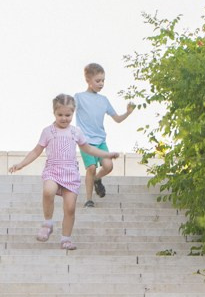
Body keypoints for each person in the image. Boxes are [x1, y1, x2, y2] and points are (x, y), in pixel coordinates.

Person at [9, 94, 119, 249]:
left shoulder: (75, 132)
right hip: (53, 170)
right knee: (48, 190)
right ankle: (48, 223)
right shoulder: (48, 131)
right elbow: (36, 151)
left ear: (73, 113)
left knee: (70, 208)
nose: (64, 118)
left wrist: (107, 154)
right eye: (60, 115)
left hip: (70, 173)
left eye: (68, 115)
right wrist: (21, 164)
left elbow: (88, 148)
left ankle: (65, 238)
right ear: (54, 113)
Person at [74, 63, 136, 206]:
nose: (101, 83)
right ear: (88, 81)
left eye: (103, 80)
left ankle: (97, 179)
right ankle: (89, 200)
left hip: (100, 141)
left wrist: (128, 112)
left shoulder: (104, 100)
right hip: (85, 142)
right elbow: (69, 111)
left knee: (108, 166)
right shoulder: (79, 97)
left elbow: (117, 119)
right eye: (98, 81)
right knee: (91, 168)